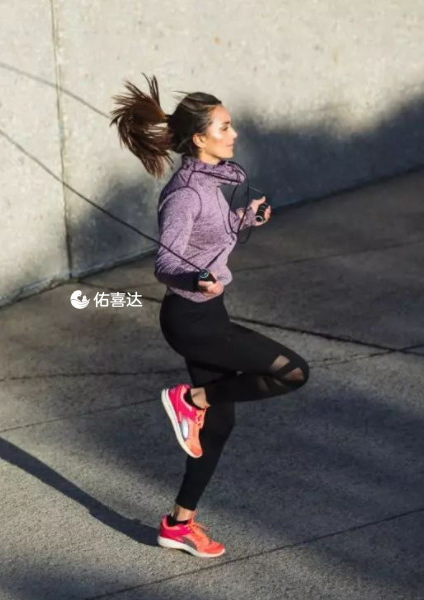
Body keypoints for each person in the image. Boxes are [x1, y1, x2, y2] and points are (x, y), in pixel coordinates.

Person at [110, 75, 310, 558]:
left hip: (210, 313)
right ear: (200, 138)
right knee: (292, 371)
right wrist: (193, 278)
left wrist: (249, 217)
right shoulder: (184, 195)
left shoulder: (225, 177)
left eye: (231, 123)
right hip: (192, 320)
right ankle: (191, 398)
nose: (234, 133)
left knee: (219, 428)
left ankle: (178, 524)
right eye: (224, 127)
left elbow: (220, 228)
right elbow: (166, 262)